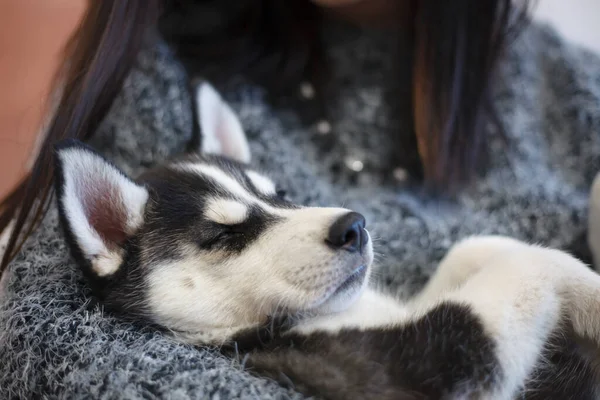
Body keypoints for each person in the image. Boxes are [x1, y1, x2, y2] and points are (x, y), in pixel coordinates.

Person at [1, 0, 599, 397]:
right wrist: (534, 278)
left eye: (278, 197)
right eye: (221, 235)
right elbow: (34, 333)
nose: (336, 223)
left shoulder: (572, 84)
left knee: (474, 258)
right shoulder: (153, 64)